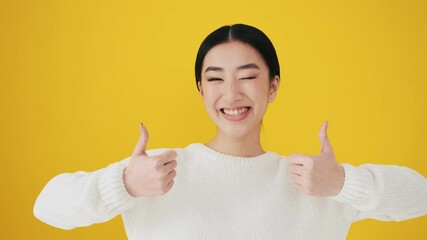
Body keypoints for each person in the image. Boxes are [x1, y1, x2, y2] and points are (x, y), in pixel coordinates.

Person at [34, 23, 427, 240]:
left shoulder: (313, 183)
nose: (232, 94)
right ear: (201, 89)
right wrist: (122, 184)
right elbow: (47, 208)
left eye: (248, 77)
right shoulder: (157, 173)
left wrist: (344, 183)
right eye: (216, 78)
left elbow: (420, 197)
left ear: (273, 86)